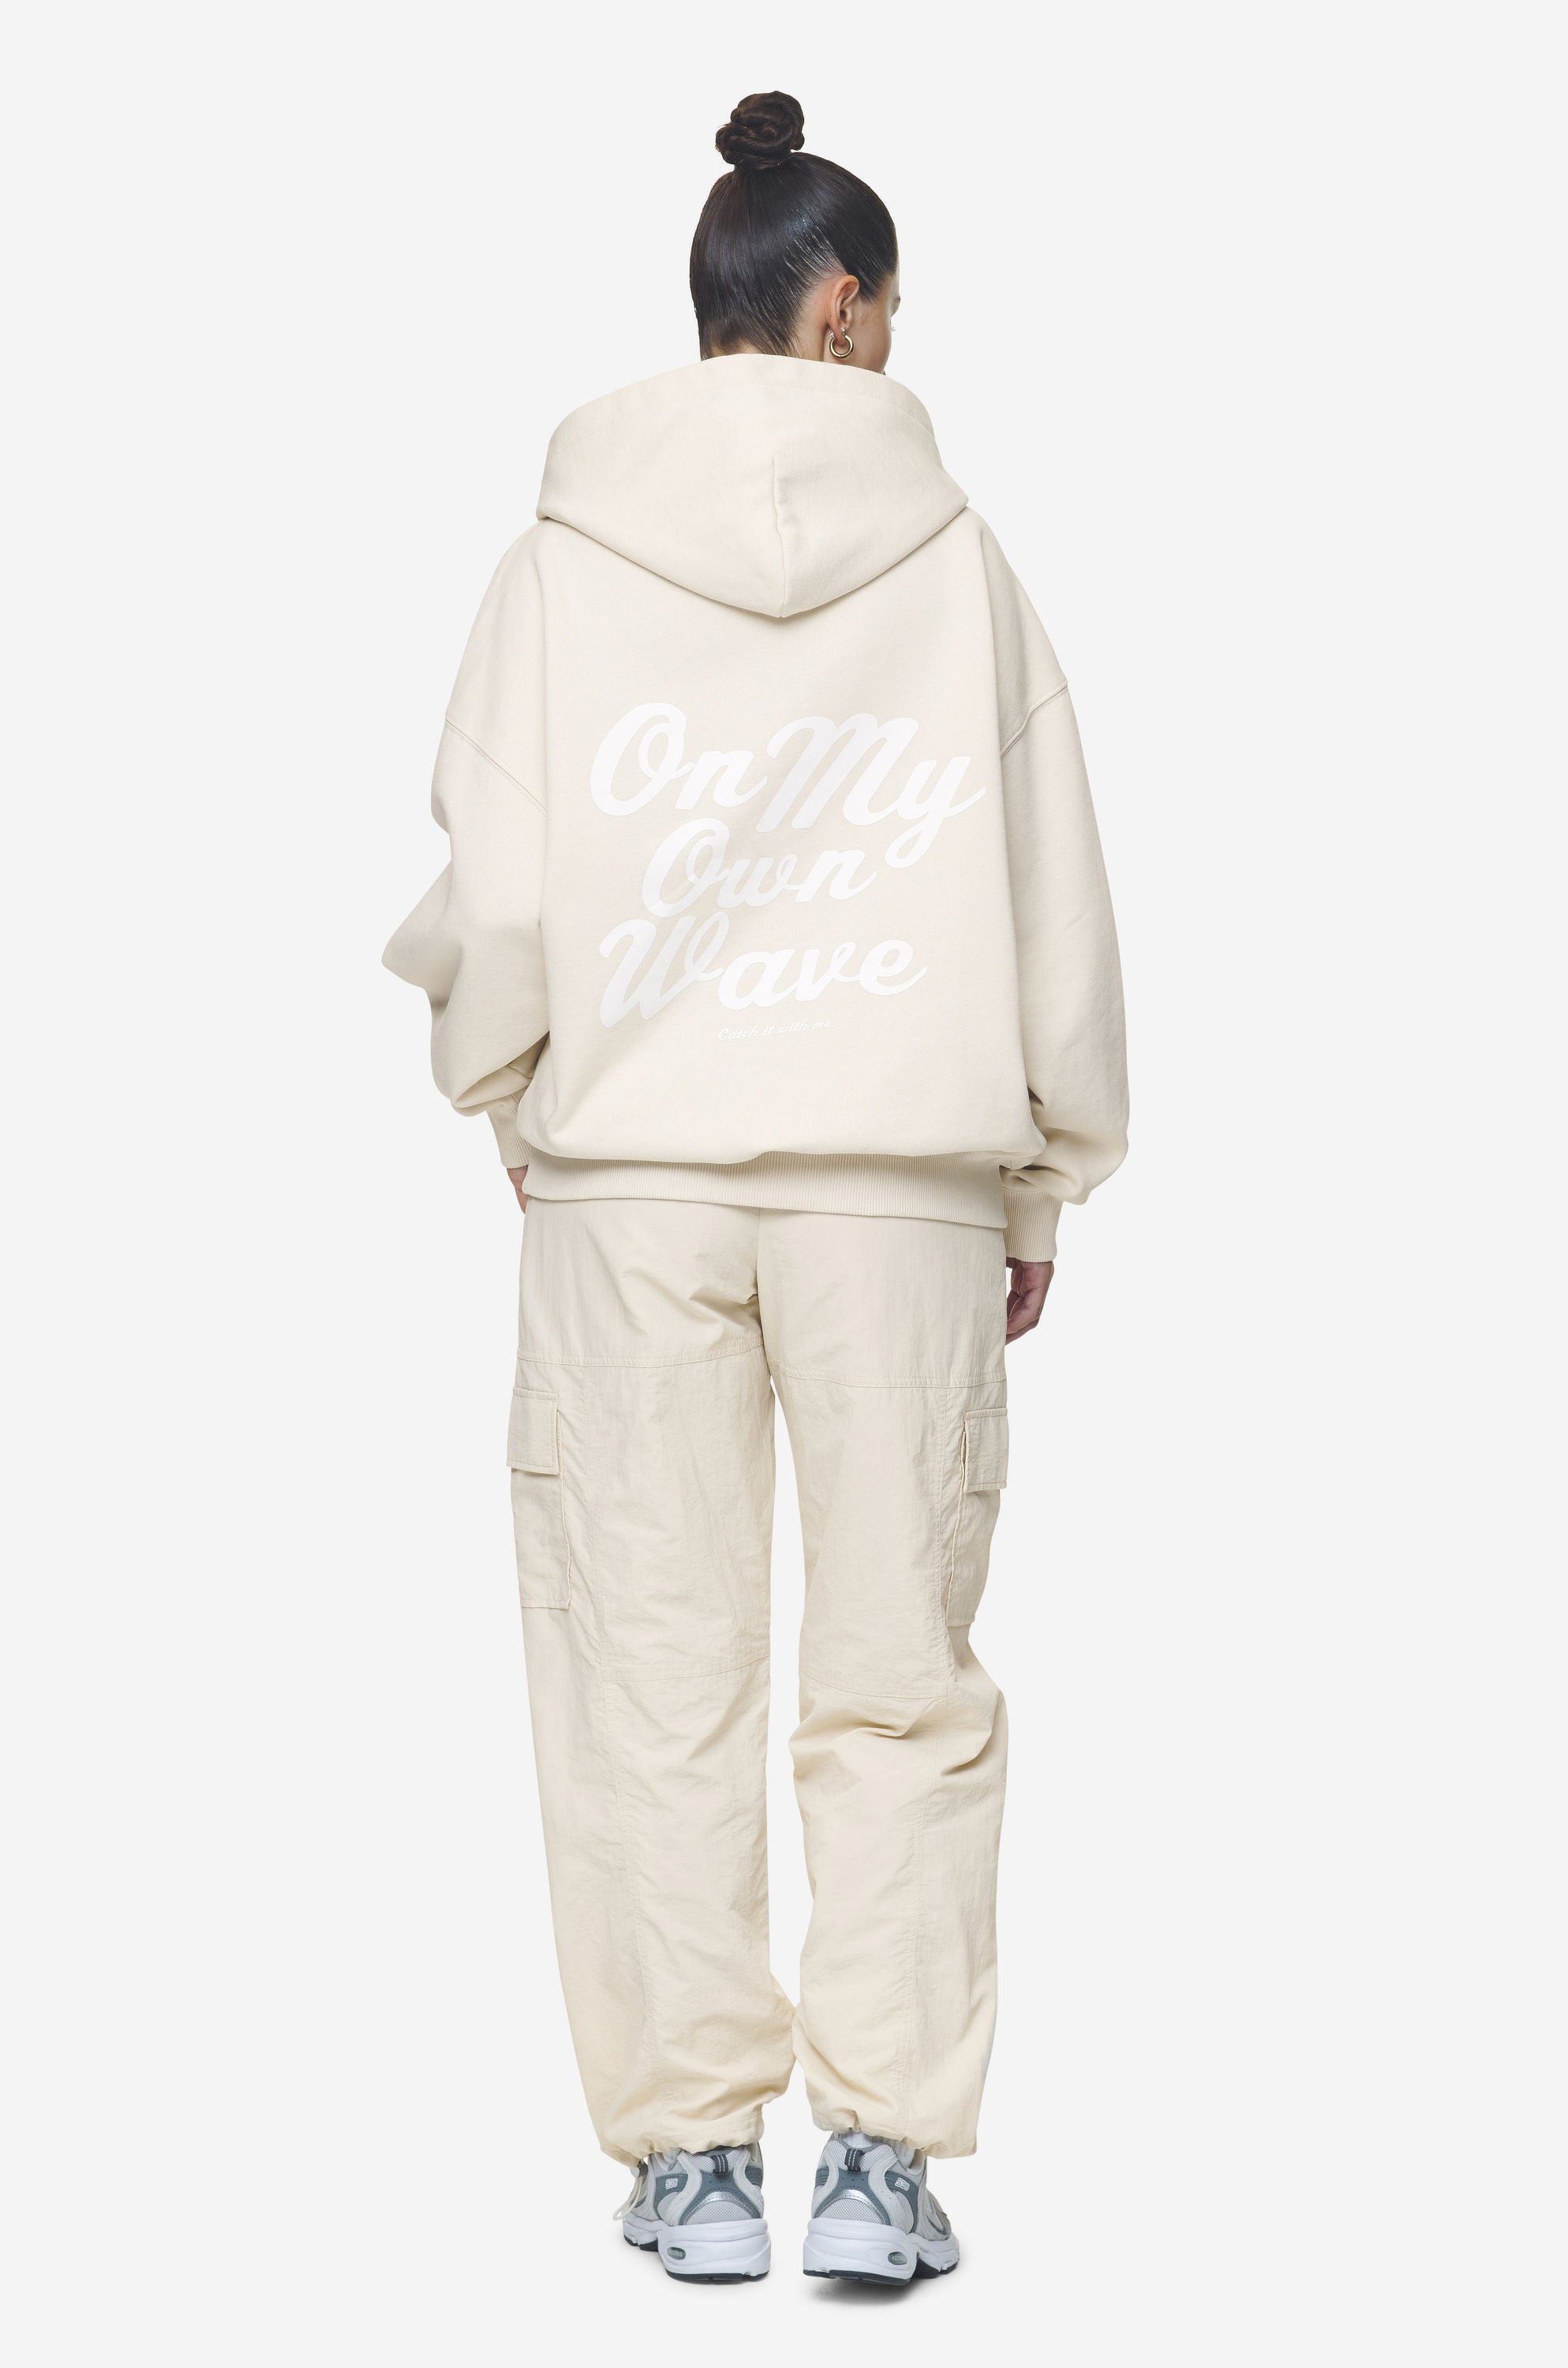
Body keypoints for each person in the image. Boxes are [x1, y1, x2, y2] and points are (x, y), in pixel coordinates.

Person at [385, 88, 1128, 2289]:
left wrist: (518, 1099)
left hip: (632, 1189)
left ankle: (695, 2159)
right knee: (904, 1680)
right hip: (900, 1184)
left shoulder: (557, 565)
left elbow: (497, 886)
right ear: (842, 308)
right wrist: (1042, 1177)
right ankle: (882, 2157)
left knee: (646, 1667)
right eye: (891, 313)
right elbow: (1053, 894)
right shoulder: (962, 563)